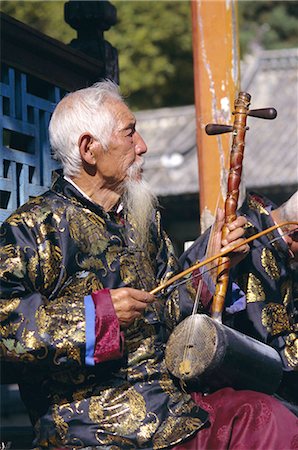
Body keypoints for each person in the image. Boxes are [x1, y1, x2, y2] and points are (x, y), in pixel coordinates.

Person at [0, 81, 297, 449]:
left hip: (172, 410)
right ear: (88, 148)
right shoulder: (33, 229)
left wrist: (209, 264)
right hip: (93, 426)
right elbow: (6, 326)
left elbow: (169, 308)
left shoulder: (143, 219)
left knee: (269, 420)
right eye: (130, 133)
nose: (143, 146)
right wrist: (100, 315)